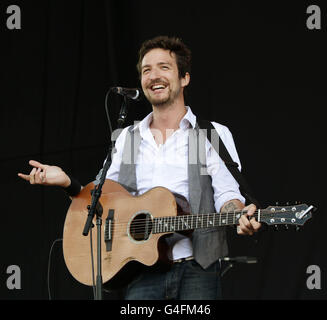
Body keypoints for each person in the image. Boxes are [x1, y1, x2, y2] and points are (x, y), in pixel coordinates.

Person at [18, 35, 261, 300]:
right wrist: (68, 182)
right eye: (147, 70)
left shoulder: (211, 134)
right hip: (141, 269)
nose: (154, 75)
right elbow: (99, 196)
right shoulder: (128, 138)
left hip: (198, 268)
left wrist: (238, 214)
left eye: (164, 67)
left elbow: (228, 194)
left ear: (184, 78)